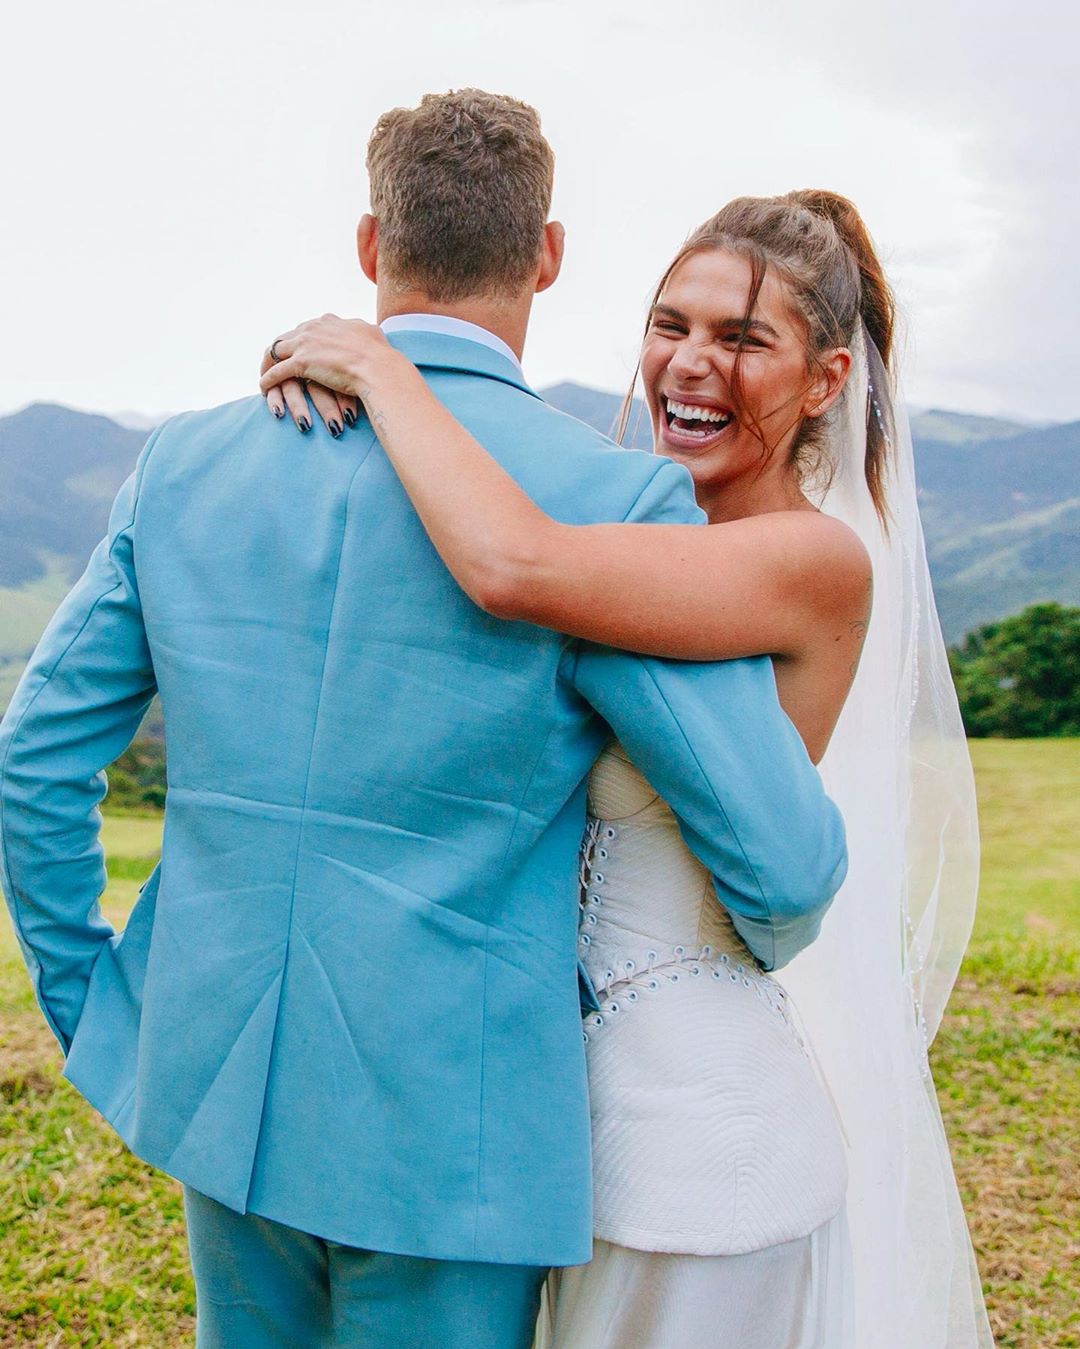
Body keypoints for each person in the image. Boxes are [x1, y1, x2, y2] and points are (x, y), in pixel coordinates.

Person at [0, 91, 848, 1349]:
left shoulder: (183, 461)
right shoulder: (607, 497)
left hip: (216, 1082)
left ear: (369, 243)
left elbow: (36, 755)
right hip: (457, 1141)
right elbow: (782, 865)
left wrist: (97, 1000)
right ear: (546, 256)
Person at [261, 192, 993, 1347]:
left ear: (828, 379)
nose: (691, 363)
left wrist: (384, 364)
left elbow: (510, 560)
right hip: (564, 1133)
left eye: (744, 339)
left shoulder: (804, 558)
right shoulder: (643, 527)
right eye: (672, 323)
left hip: (696, 1149)